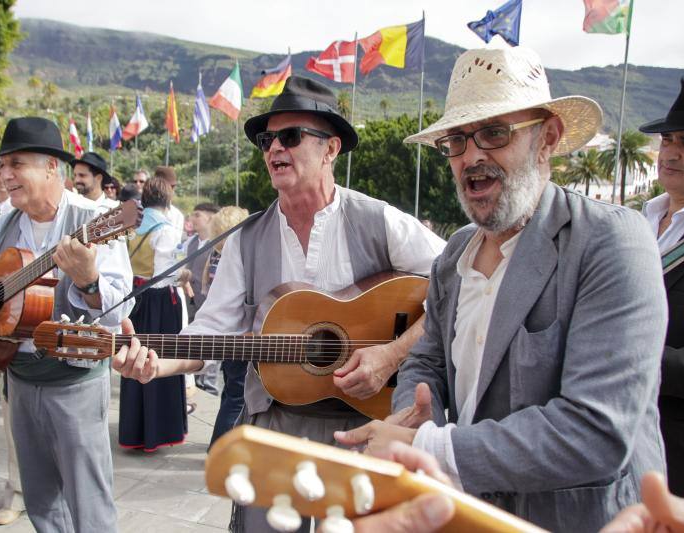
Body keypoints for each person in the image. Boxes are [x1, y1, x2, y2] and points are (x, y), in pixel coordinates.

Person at [334, 47, 667, 532]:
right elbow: (427, 360)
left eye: (494, 133)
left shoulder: (612, 242)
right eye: (456, 141)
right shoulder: (454, 255)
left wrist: (429, 447)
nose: (472, 157)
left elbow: (595, 432)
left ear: (547, 138)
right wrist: (414, 418)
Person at [113, 75, 446, 532]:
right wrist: (156, 363)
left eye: (290, 137)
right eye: (267, 139)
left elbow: (457, 285)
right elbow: (212, 331)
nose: (273, 149)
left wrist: (391, 354)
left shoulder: (381, 221)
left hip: (369, 425)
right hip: (276, 429)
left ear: (331, 148)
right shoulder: (246, 239)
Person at [0, 116, 134, 532]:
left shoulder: (96, 219)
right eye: (2, 166)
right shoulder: (1, 225)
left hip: (73, 381)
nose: (4, 175)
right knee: (41, 502)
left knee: (89, 504)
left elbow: (116, 311)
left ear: (51, 169)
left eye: (15, 164)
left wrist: (88, 280)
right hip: (18, 378)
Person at [639, 77, 684, 497]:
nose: (673, 152)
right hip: (626, 446)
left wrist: (622, 354)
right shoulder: (639, 224)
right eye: (669, 139)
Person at [119, 177, 188, 452]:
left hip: (135, 298)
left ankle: (134, 432)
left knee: (134, 359)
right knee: (160, 362)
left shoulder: (133, 226)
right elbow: (166, 273)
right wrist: (184, 275)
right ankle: (158, 432)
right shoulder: (166, 228)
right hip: (159, 301)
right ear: (167, 198)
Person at [203, 206, 250, 446]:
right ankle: (220, 448)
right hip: (240, 337)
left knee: (230, 393)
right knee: (237, 398)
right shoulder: (235, 259)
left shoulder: (214, 257)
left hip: (227, 338)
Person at [183, 202, 220, 396]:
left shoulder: (218, 244)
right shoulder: (190, 242)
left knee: (212, 344)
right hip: (190, 302)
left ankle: (210, 387)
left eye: (197, 215)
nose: (192, 218)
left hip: (209, 302)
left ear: (210, 218)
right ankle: (195, 384)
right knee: (194, 344)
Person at [153, 166, 185, 235]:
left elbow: (175, 242)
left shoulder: (177, 215)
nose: (164, 190)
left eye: (170, 186)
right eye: (161, 187)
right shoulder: (141, 209)